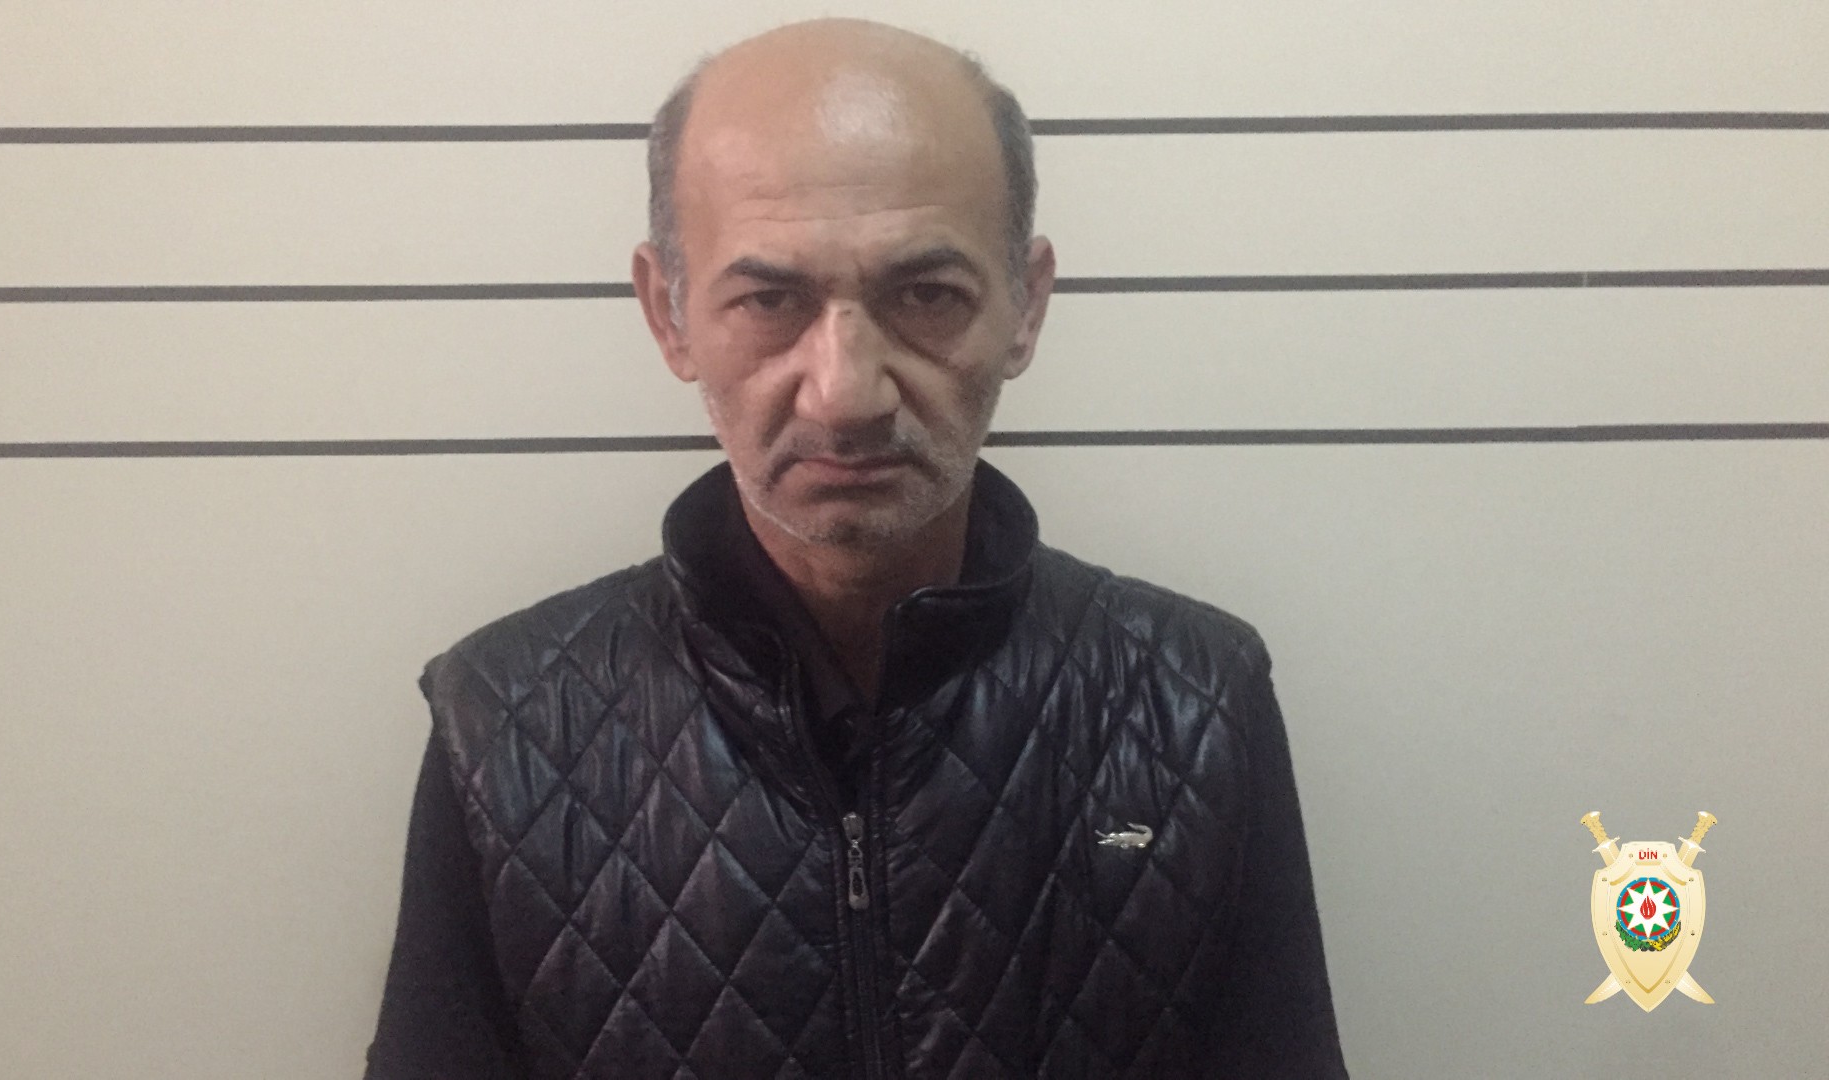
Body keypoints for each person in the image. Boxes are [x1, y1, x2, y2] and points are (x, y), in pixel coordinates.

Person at [367, 18, 1344, 1079]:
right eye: (768, 300)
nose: (846, 394)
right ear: (669, 314)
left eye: (926, 296)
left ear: (1025, 306)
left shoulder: (1194, 702)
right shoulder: (504, 724)